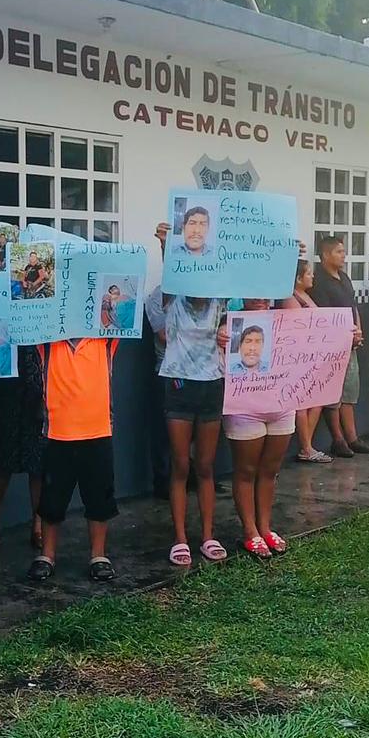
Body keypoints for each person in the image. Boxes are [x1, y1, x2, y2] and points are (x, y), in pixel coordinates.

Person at [155, 221, 228, 566]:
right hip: (178, 383)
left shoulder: (220, 300)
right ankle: (181, 537)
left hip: (212, 383)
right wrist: (165, 245)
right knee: (181, 464)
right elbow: (173, 275)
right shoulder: (171, 297)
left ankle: (208, 536)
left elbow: (238, 324)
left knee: (206, 465)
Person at [28, 337, 120, 583]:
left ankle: (98, 555)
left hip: (98, 430)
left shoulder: (105, 338)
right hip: (58, 432)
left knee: (99, 496)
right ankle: (47, 555)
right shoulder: (47, 340)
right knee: (52, 499)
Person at [224, 298, 293, 559]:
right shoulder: (229, 318)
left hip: (282, 402)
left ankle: (265, 526)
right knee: (246, 470)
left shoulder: (285, 314)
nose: (263, 296)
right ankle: (249, 530)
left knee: (270, 470)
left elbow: (309, 321)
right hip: (244, 404)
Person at [309, 235, 369, 458]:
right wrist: (345, 336)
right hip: (332, 346)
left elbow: (353, 307)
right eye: (338, 251)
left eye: (343, 251)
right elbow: (326, 317)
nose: (343, 255)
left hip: (351, 344)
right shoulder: (319, 282)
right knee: (333, 395)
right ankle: (338, 439)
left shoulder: (344, 277)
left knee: (349, 393)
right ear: (325, 255)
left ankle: (352, 437)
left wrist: (358, 330)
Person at [0, 345, 46, 551]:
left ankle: (37, 526)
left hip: (40, 380)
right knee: (4, 459)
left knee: (38, 462)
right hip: (9, 380)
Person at [283, 260, 329, 464]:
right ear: (298, 278)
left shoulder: (306, 296)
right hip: (298, 355)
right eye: (308, 273)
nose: (312, 277)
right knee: (301, 403)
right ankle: (306, 446)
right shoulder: (290, 298)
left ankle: (307, 444)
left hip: (313, 354)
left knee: (316, 400)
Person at [143, 284, 173, 498]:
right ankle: (163, 482)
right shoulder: (157, 295)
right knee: (164, 432)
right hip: (167, 372)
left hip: (200, 372)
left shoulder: (204, 290)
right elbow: (164, 335)